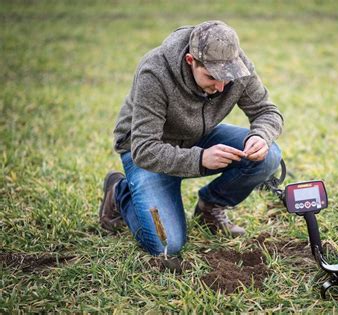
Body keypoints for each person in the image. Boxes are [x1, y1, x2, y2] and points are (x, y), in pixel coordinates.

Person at [99, 20, 283, 256]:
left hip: (198, 136)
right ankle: (120, 193)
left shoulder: (239, 68)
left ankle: (210, 207)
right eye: (211, 77)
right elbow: (144, 148)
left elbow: (267, 112)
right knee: (166, 245)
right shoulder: (155, 72)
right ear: (190, 61)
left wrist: (261, 136)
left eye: (226, 77)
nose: (220, 86)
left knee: (270, 155)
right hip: (149, 150)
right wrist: (200, 159)